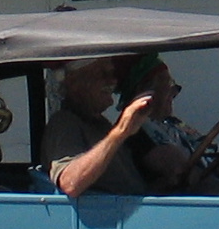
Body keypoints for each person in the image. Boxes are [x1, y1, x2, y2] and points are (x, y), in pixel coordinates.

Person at [114, 53, 219, 196]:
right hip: (185, 202)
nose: (175, 92)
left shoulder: (173, 123)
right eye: (168, 84)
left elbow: (210, 153)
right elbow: (181, 172)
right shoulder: (135, 131)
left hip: (210, 184)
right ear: (144, 91)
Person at [40, 58, 152, 197]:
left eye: (112, 74)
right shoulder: (64, 123)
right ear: (74, 82)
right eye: (102, 74)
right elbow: (70, 183)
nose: (112, 81)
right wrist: (120, 132)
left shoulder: (100, 124)